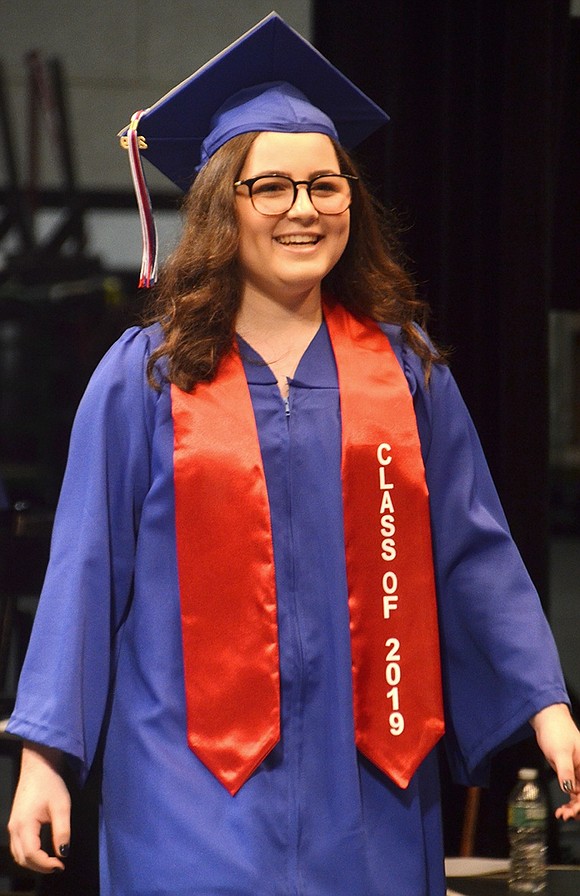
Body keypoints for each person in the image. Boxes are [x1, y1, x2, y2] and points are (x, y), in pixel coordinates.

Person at [6, 13, 580, 896]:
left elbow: (473, 556)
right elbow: (86, 570)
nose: (303, 209)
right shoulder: (146, 381)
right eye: (269, 187)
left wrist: (544, 701)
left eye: (326, 185)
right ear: (218, 204)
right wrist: (46, 754)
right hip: (186, 794)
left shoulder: (406, 374)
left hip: (372, 790)